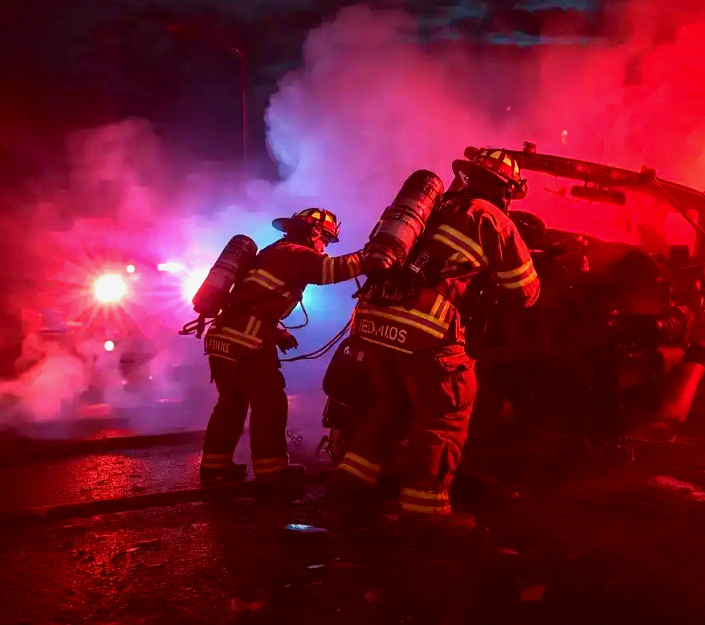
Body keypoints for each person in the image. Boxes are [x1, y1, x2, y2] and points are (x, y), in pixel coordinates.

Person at [337, 149, 540, 531]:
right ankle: (425, 512)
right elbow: (526, 292)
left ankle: (351, 481)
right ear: (506, 188)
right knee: (444, 412)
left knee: (392, 403)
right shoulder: (491, 218)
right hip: (424, 329)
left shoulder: (431, 208)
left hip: (372, 321)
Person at [200, 208, 366, 485]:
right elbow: (330, 270)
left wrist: (278, 333)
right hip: (247, 344)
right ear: (314, 232)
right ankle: (272, 472)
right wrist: (373, 256)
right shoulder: (295, 253)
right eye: (325, 239)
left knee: (230, 404)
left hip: (223, 337)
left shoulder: (273, 251)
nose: (324, 246)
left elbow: (250, 301)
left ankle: (214, 466)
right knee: (270, 405)